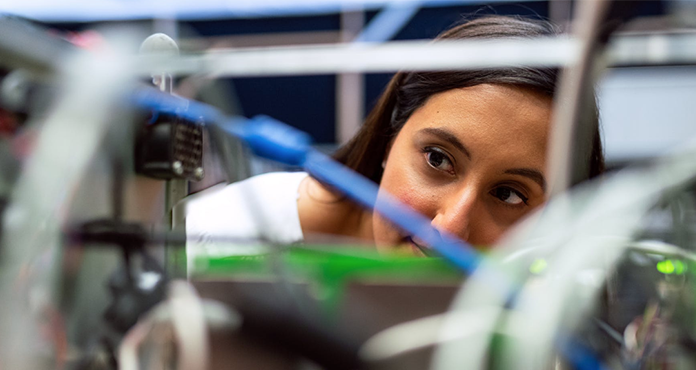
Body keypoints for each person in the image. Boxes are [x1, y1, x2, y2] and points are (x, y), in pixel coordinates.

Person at [186, 15, 604, 262]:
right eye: (438, 160)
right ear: (390, 137)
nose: (449, 229)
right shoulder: (213, 240)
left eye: (509, 194)